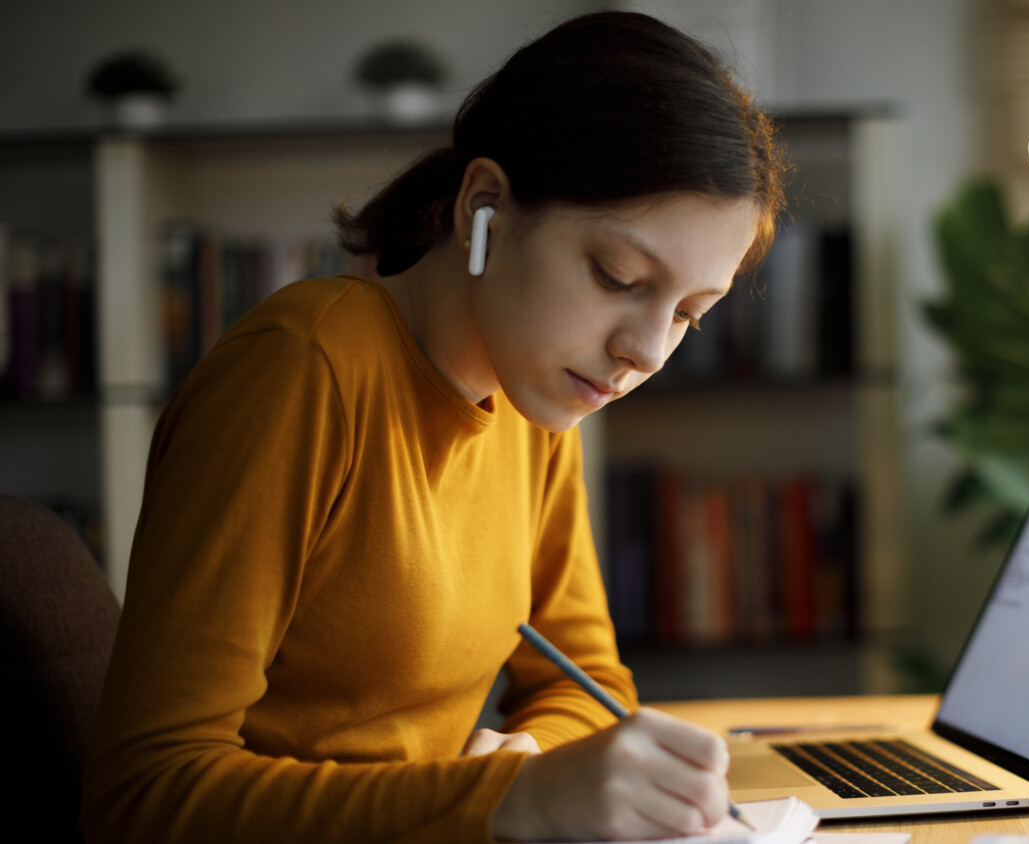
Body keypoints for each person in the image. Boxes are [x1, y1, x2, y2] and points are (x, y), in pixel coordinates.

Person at [80, 11, 788, 843]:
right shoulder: (305, 371)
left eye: (689, 316)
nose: (644, 352)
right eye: (617, 275)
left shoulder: (541, 398)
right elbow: (141, 795)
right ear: (483, 204)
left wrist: (530, 764)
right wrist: (503, 799)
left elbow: (589, 683)